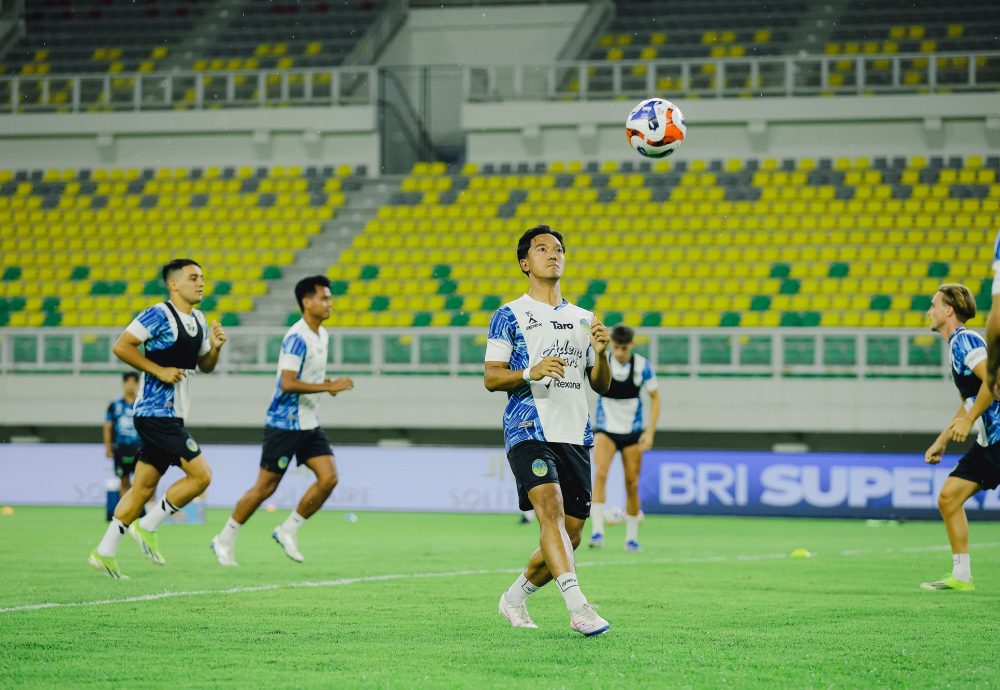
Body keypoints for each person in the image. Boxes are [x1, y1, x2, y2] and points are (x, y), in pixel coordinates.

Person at [485, 224, 613, 637]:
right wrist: (530, 371)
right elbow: (491, 377)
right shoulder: (509, 314)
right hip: (528, 426)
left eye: (558, 248)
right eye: (541, 249)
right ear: (525, 263)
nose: (552, 254)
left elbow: (601, 384)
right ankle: (579, 608)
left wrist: (602, 354)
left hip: (575, 431)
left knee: (570, 534)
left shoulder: (584, 318)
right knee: (551, 514)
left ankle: (515, 597)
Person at [88, 258, 227, 579]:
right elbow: (122, 346)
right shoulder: (158, 314)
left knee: (142, 487)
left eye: (202, 277)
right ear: (173, 283)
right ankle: (148, 526)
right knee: (202, 476)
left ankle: (104, 551)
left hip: (172, 416)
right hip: (155, 413)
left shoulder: (199, 320)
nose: (201, 282)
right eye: (193, 277)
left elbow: (204, 365)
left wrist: (216, 348)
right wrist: (158, 370)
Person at [211, 276, 353, 566]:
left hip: (308, 421)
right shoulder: (296, 338)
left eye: (329, 298)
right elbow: (287, 383)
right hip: (284, 423)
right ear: (306, 302)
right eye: (324, 298)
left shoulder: (321, 335)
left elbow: (304, 378)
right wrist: (328, 387)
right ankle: (224, 538)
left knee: (329, 478)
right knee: (265, 488)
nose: (329, 303)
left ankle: (288, 529)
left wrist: (324, 383)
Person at [922, 283, 1000, 591]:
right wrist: (942, 439)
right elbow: (971, 398)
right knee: (949, 498)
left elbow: (992, 382)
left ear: (948, 310)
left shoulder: (965, 340)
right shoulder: (957, 344)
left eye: (933, 305)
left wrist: (968, 421)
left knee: (949, 497)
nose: (929, 311)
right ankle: (962, 575)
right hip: (989, 442)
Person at [589, 324, 660, 552]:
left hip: (632, 432)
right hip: (605, 429)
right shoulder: (603, 360)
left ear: (631, 345)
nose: (619, 353)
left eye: (623, 348)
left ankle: (631, 538)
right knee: (600, 474)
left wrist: (649, 432)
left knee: (632, 483)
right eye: (616, 347)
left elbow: (656, 398)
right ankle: (597, 531)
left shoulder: (642, 366)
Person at [103, 371, 141, 496]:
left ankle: (144, 512)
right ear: (123, 384)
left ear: (137, 384)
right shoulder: (114, 405)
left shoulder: (142, 404)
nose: (131, 385)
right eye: (128, 382)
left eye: (133, 382)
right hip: (120, 448)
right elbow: (108, 427)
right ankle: (124, 514)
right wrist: (108, 448)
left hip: (140, 448)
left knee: (142, 481)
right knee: (124, 481)